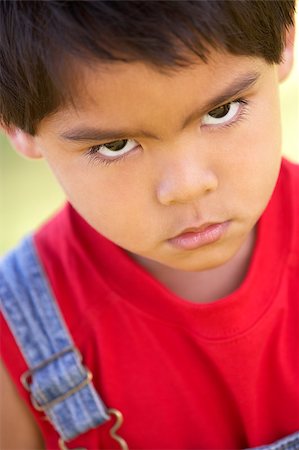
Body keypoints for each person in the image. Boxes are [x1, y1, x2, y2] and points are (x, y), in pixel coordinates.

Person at [0, 1, 298, 449]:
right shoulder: (17, 347)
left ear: (285, 40)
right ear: (16, 126)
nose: (187, 187)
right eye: (116, 145)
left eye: (221, 112)